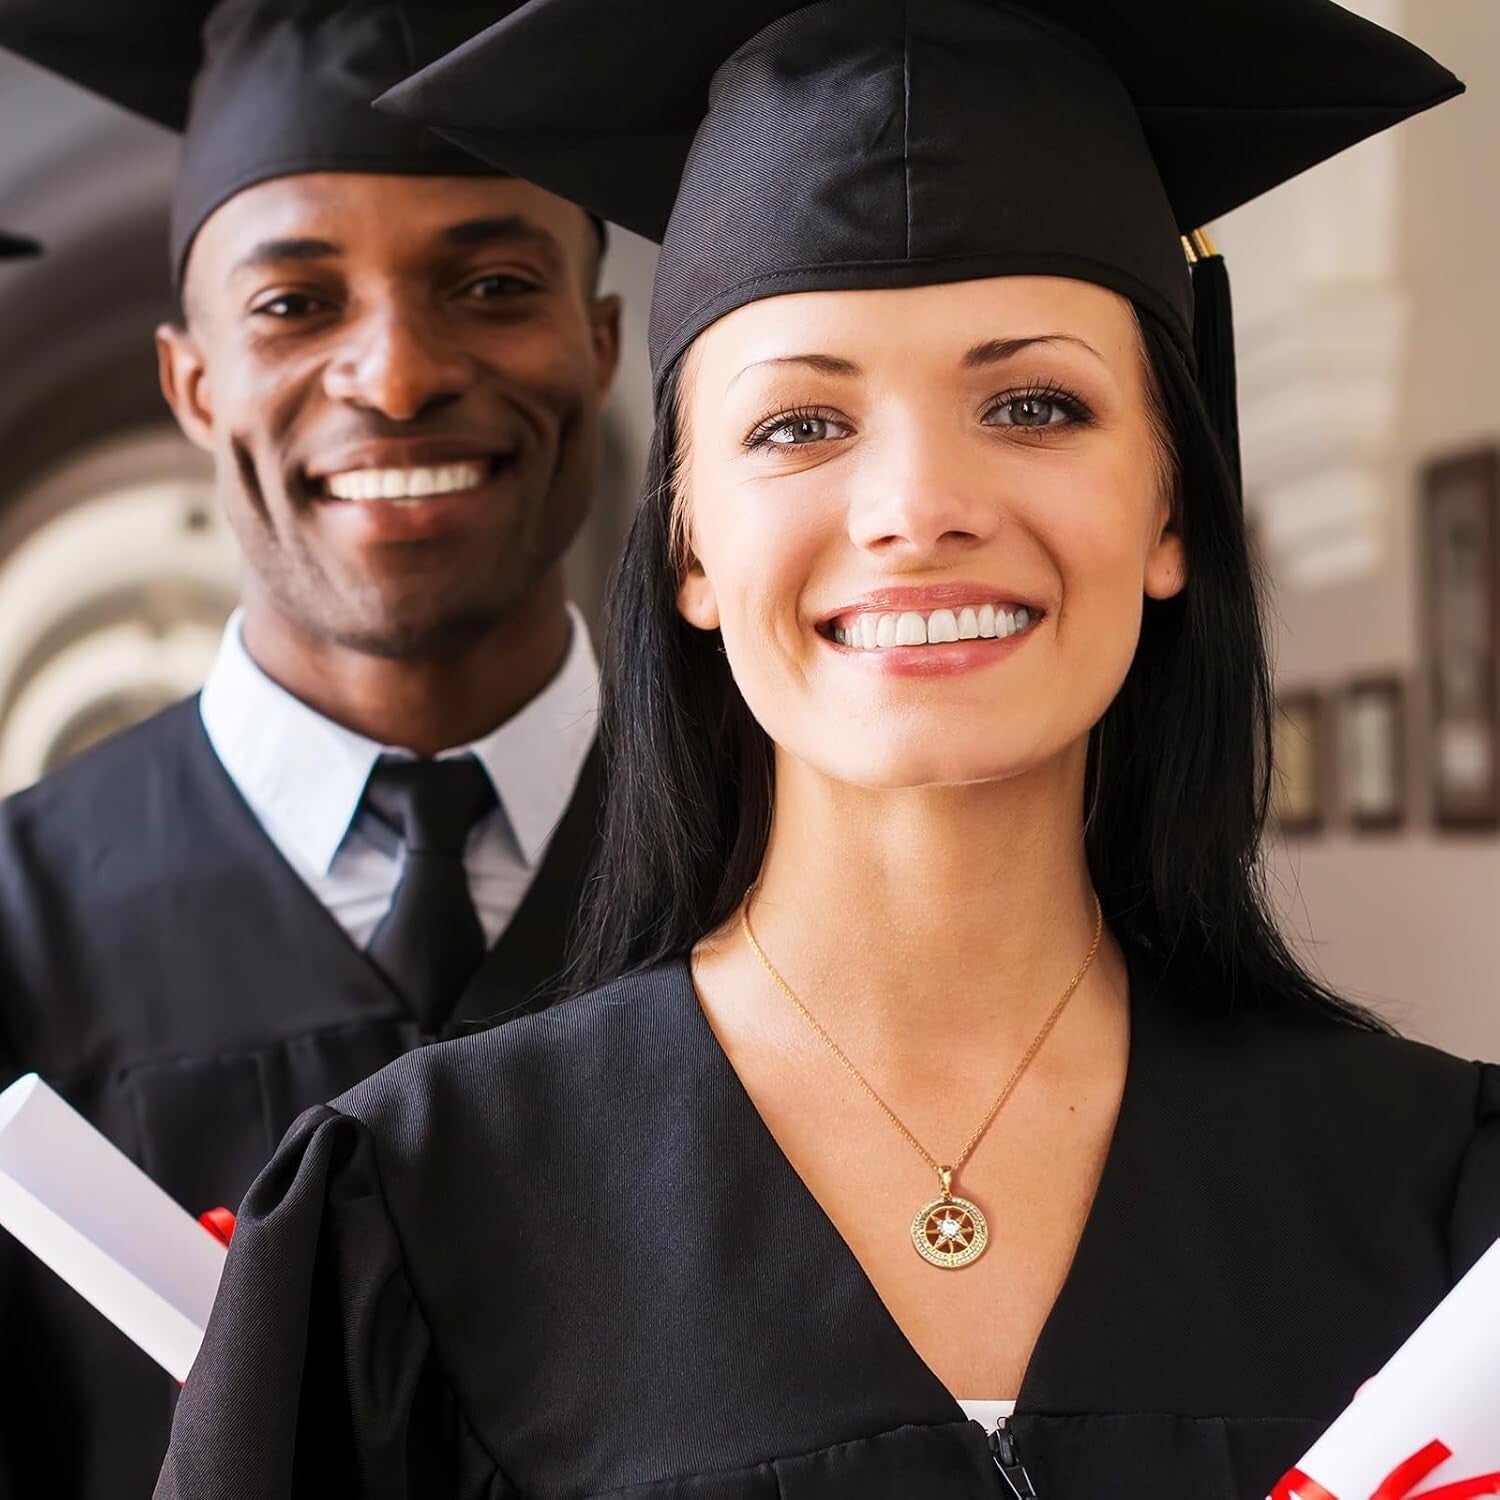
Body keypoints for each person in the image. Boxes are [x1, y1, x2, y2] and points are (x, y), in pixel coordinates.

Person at [159, 3, 1496, 1497]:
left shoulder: (1438, 1201)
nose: (917, 507)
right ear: (690, 546)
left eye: (1034, 405)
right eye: (800, 424)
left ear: (1171, 510)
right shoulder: (420, 1213)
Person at [0, 3, 619, 1496]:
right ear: (191, 382)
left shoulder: (797, 876)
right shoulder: (15, 934)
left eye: (492, 283)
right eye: (294, 303)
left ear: (601, 344)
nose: (397, 376)